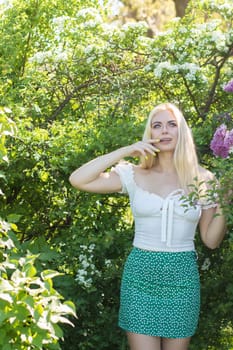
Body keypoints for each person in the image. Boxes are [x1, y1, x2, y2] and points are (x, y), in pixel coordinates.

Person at [69, 102, 226, 350]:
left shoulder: (203, 180)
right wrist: (125, 150)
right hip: (140, 276)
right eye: (157, 125)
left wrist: (224, 207)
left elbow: (211, 240)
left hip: (182, 277)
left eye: (171, 125)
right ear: (150, 134)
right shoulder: (133, 174)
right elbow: (78, 179)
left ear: (181, 132)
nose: (164, 131)